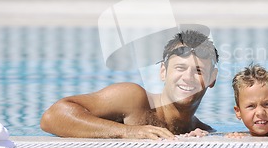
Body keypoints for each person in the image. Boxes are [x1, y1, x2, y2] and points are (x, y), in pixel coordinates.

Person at [40, 30, 219, 139]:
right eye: (180, 68)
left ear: (212, 78)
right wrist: (126, 132)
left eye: (198, 71)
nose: (187, 77)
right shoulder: (133, 99)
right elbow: (52, 117)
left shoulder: (201, 130)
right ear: (163, 72)